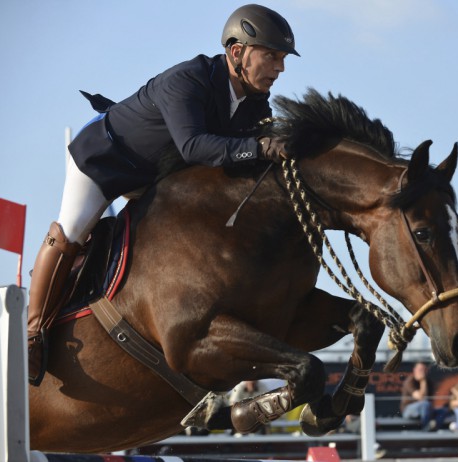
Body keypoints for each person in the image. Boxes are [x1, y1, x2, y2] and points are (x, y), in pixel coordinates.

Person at [26, 4, 299, 386]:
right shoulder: (188, 79)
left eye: (283, 58)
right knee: (70, 231)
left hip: (155, 176)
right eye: (271, 55)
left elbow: (251, 151)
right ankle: (32, 335)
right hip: (105, 162)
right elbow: (194, 147)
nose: (280, 68)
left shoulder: (255, 101)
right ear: (237, 52)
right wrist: (261, 148)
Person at [400, 362, 443, 430]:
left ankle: (435, 427)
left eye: (424, 369)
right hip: (408, 410)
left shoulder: (429, 382)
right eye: (420, 369)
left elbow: (430, 399)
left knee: (442, 410)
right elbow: (421, 398)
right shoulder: (410, 381)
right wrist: (423, 381)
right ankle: (425, 428)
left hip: (425, 410)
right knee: (425, 404)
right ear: (414, 370)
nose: (422, 372)